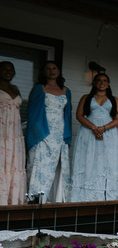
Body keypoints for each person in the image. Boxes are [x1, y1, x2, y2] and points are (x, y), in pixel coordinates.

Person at [70, 72, 118, 201]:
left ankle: (105, 195)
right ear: (94, 83)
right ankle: (85, 196)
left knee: (106, 161)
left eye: (105, 80)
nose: (102, 83)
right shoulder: (86, 97)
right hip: (88, 133)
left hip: (108, 134)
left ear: (108, 84)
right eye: (99, 80)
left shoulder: (114, 99)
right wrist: (93, 128)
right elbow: (79, 116)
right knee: (88, 159)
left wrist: (103, 128)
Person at [26, 60, 72, 202]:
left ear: (59, 71)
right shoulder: (39, 88)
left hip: (60, 133)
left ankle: (55, 199)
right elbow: (32, 113)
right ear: (43, 72)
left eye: (54, 68)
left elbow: (68, 114)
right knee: (40, 165)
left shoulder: (66, 91)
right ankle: (37, 199)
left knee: (58, 166)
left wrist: (66, 135)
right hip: (42, 132)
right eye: (48, 68)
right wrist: (38, 133)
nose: (51, 71)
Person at [0, 61, 26, 204]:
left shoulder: (15, 89)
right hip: (1, 132)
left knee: (13, 164)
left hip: (14, 133)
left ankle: (11, 200)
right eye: (5, 69)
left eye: (11, 69)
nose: (8, 71)